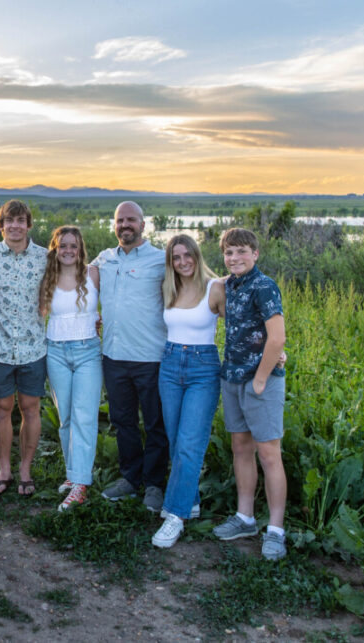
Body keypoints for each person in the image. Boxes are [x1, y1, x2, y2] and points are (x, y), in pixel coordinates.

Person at [212, 228, 288, 560]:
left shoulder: (264, 286)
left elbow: (278, 338)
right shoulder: (228, 285)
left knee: (269, 454)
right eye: (229, 253)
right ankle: (245, 518)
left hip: (261, 382)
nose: (235, 258)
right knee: (240, 448)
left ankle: (276, 530)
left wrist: (260, 378)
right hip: (231, 378)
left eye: (241, 251)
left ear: (255, 254)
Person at [91, 201, 169, 513]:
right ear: (114, 225)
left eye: (131, 220)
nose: (126, 225)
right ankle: (129, 478)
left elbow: (200, 283)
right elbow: (73, 281)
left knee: (155, 424)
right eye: (120, 220)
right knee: (123, 422)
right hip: (114, 355)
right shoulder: (104, 259)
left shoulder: (161, 260)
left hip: (151, 356)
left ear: (143, 225)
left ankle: (154, 484)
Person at [150, 235, 225, 548]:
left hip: (202, 368)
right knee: (176, 440)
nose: (182, 262)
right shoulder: (170, 287)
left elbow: (239, 326)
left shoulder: (215, 287)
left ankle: (176, 516)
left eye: (187, 256)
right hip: (169, 366)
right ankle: (190, 502)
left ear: (196, 255)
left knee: (190, 443)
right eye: (176, 257)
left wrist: (272, 348)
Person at [0, 200, 48, 496]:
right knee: (2, 408)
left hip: (34, 348)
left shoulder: (45, 257)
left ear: (28, 224)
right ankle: (4, 469)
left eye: (21, 220)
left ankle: (26, 470)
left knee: (31, 408)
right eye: (10, 220)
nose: (15, 225)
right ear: (1, 224)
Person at [38, 226, 103, 512]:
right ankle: (73, 474)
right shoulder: (46, 277)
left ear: (80, 249)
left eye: (73, 246)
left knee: (84, 416)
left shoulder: (94, 273)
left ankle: (81, 485)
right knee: (65, 418)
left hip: (88, 351)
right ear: (55, 248)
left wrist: (101, 318)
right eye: (62, 246)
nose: (67, 251)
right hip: (56, 351)